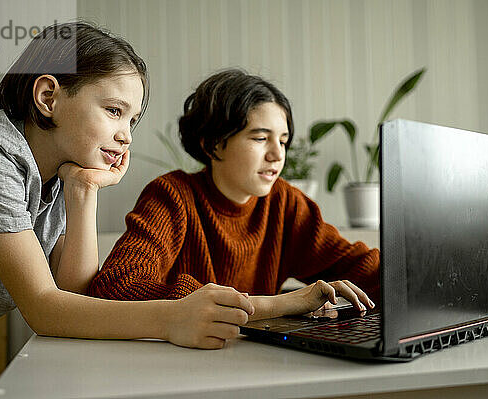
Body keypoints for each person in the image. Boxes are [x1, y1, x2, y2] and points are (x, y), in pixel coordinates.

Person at [0, 23, 255, 397]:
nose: (127, 135)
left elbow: (75, 294)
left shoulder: (56, 172)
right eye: (114, 110)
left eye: (132, 120)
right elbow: (45, 311)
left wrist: (83, 190)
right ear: (48, 97)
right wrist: (171, 318)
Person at [88, 69, 380, 323]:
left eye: (283, 140)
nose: (278, 155)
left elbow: (357, 266)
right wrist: (276, 304)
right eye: (260, 138)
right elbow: (117, 286)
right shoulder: (172, 196)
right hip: (180, 361)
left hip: (258, 360)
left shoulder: (284, 202)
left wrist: (416, 273)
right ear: (213, 144)